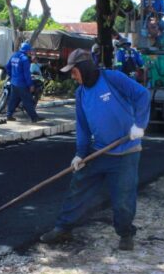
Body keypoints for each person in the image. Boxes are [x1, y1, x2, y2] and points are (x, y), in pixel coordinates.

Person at [40, 49, 150, 251]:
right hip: (98, 151)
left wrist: (140, 125)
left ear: (84, 67)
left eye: (74, 72)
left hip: (126, 151)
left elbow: (142, 95)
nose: (73, 77)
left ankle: (125, 233)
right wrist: (80, 154)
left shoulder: (112, 79)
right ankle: (63, 228)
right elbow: (82, 126)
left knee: (123, 199)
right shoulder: (81, 93)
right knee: (78, 189)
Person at [4, 41, 42, 122]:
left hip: (14, 83)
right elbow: (27, 74)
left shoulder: (14, 55)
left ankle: (9, 115)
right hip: (22, 84)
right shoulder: (24, 59)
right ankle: (34, 118)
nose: (30, 52)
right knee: (28, 100)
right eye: (29, 51)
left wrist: (11, 76)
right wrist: (30, 85)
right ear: (27, 51)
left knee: (13, 99)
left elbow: (7, 67)